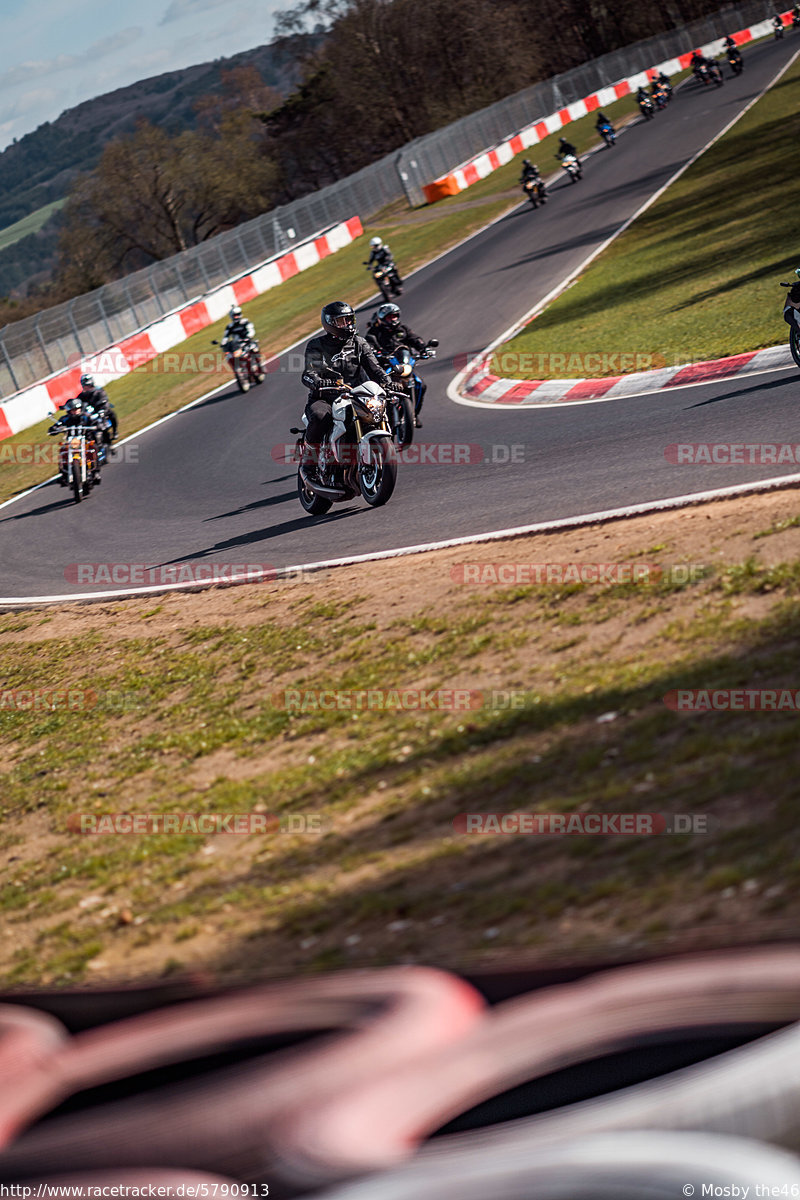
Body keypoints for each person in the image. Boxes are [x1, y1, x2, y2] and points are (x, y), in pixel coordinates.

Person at [299, 301, 392, 475]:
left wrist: (387, 381)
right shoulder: (316, 345)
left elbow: (375, 368)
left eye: (349, 320)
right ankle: (309, 461)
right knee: (320, 417)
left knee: (378, 409)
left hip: (356, 395)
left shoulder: (359, 343)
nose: (347, 325)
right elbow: (309, 372)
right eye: (341, 321)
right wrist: (318, 382)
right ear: (330, 323)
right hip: (325, 397)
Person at [365, 303, 433, 427]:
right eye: (389, 317)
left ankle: (414, 415)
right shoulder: (374, 332)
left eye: (395, 316)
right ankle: (378, 418)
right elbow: (368, 345)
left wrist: (424, 349)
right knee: (378, 390)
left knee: (420, 385)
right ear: (382, 318)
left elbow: (415, 339)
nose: (393, 319)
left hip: (404, 365)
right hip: (385, 367)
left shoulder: (403, 329)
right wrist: (375, 352)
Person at [48, 397, 103, 482]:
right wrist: (54, 429)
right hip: (71, 442)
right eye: (74, 409)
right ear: (69, 411)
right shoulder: (65, 419)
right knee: (62, 450)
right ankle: (63, 473)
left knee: (94, 448)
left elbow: (95, 421)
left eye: (77, 409)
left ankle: (96, 472)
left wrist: (98, 425)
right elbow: (57, 425)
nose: (76, 411)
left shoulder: (86, 416)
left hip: (86, 440)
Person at [78, 373, 117, 440]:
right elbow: (77, 402)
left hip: (101, 410)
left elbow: (104, 400)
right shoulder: (82, 395)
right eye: (85, 386)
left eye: (88, 385)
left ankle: (115, 431)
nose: (87, 387)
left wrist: (103, 409)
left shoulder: (99, 391)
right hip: (89, 413)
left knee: (112, 414)